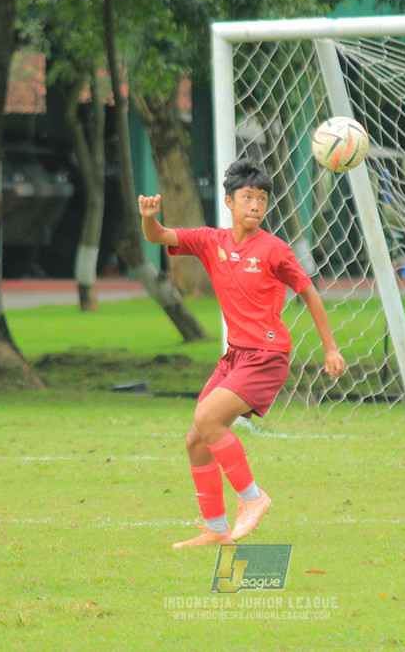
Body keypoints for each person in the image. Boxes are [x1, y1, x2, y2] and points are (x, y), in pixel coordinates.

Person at [138, 158, 347, 548]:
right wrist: (149, 218)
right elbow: (158, 236)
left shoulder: (274, 249)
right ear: (229, 202)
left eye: (262, 199)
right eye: (247, 197)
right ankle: (217, 530)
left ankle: (253, 498)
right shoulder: (210, 241)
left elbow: (308, 291)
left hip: (267, 356)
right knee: (196, 439)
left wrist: (330, 348)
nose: (255, 205)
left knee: (206, 417)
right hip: (235, 356)